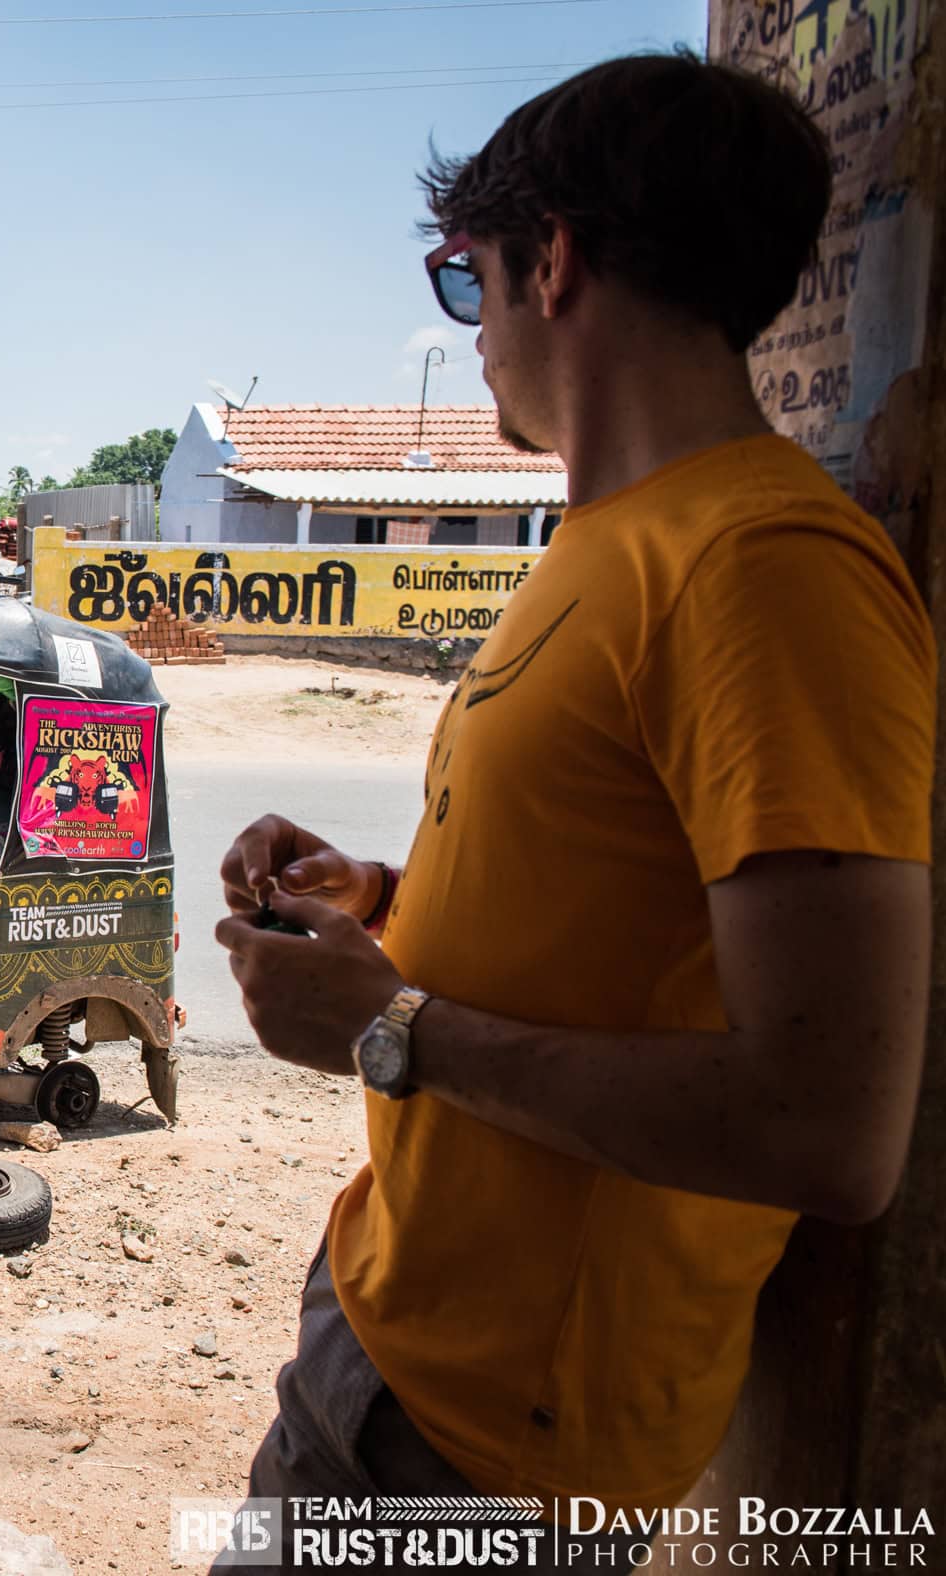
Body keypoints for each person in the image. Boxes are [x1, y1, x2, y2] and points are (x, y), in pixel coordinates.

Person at [212, 52, 934, 1549]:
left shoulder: (761, 572)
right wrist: (380, 909)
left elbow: (824, 1128)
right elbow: (616, 924)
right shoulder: (615, 539)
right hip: (394, 1324)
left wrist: (386, 1028)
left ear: (548, 260)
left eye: (462, 282)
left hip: (489, 1451)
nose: (470, 338)